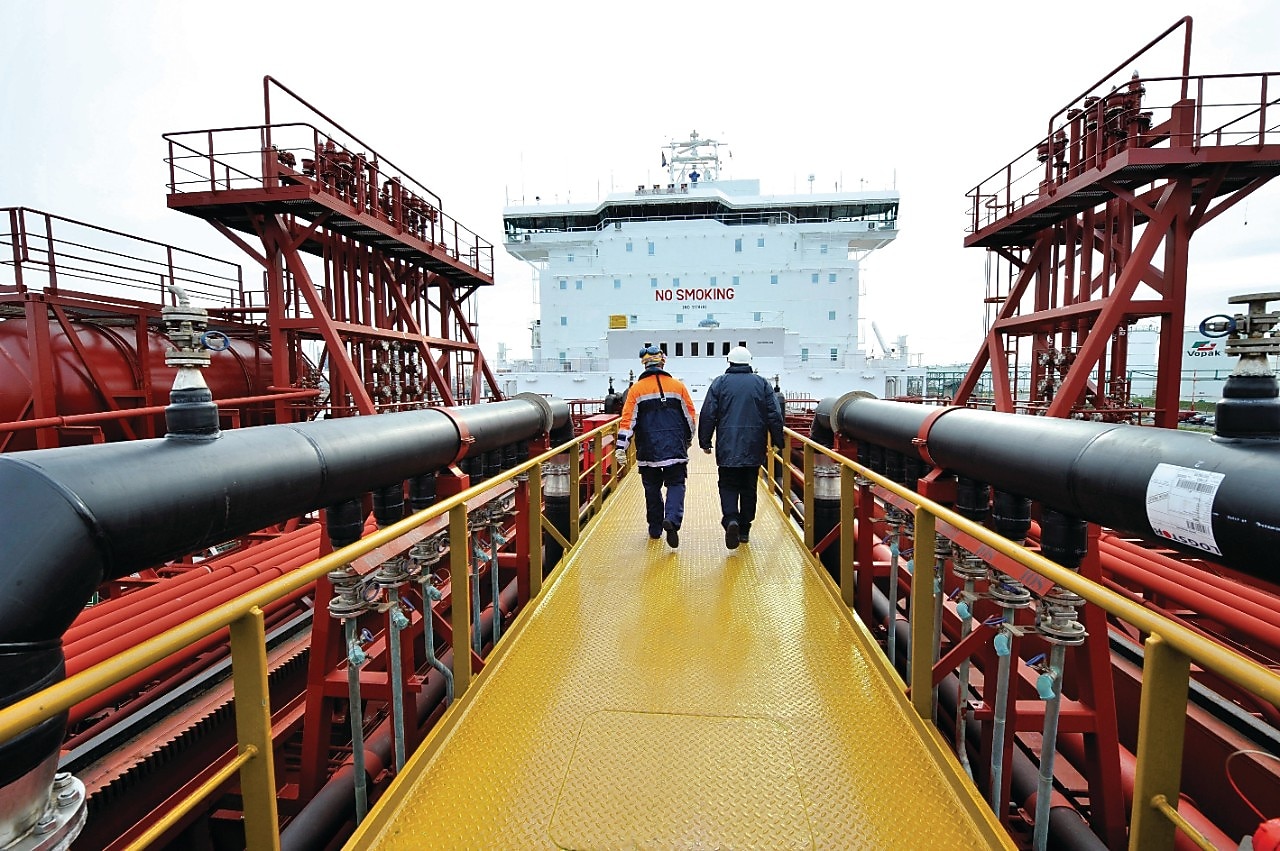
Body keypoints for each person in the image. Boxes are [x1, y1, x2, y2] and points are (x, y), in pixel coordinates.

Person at [698, 346, 784, 549]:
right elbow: (774, 414)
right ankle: (744, 529)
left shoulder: (719, 383)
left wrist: (705, 441)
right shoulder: (762, 383)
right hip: (754, 446)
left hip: (727, 446)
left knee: (728, 485)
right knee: (749, 488)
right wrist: (778, 442)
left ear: (729, 361)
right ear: (749, 362)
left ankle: (731, 520)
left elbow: (708, 413)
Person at [615, 343, 697, 548]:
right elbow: (690, 417)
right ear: (662, 362)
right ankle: (672, 519)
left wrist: (621, 447)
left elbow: (628, 420)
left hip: (647, 449)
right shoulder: (678, 386)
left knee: (652, 489)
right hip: (675, 447)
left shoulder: (636, 390)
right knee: (676, 484)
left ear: (644, 364)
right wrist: (688, 439)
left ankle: (655, 528)